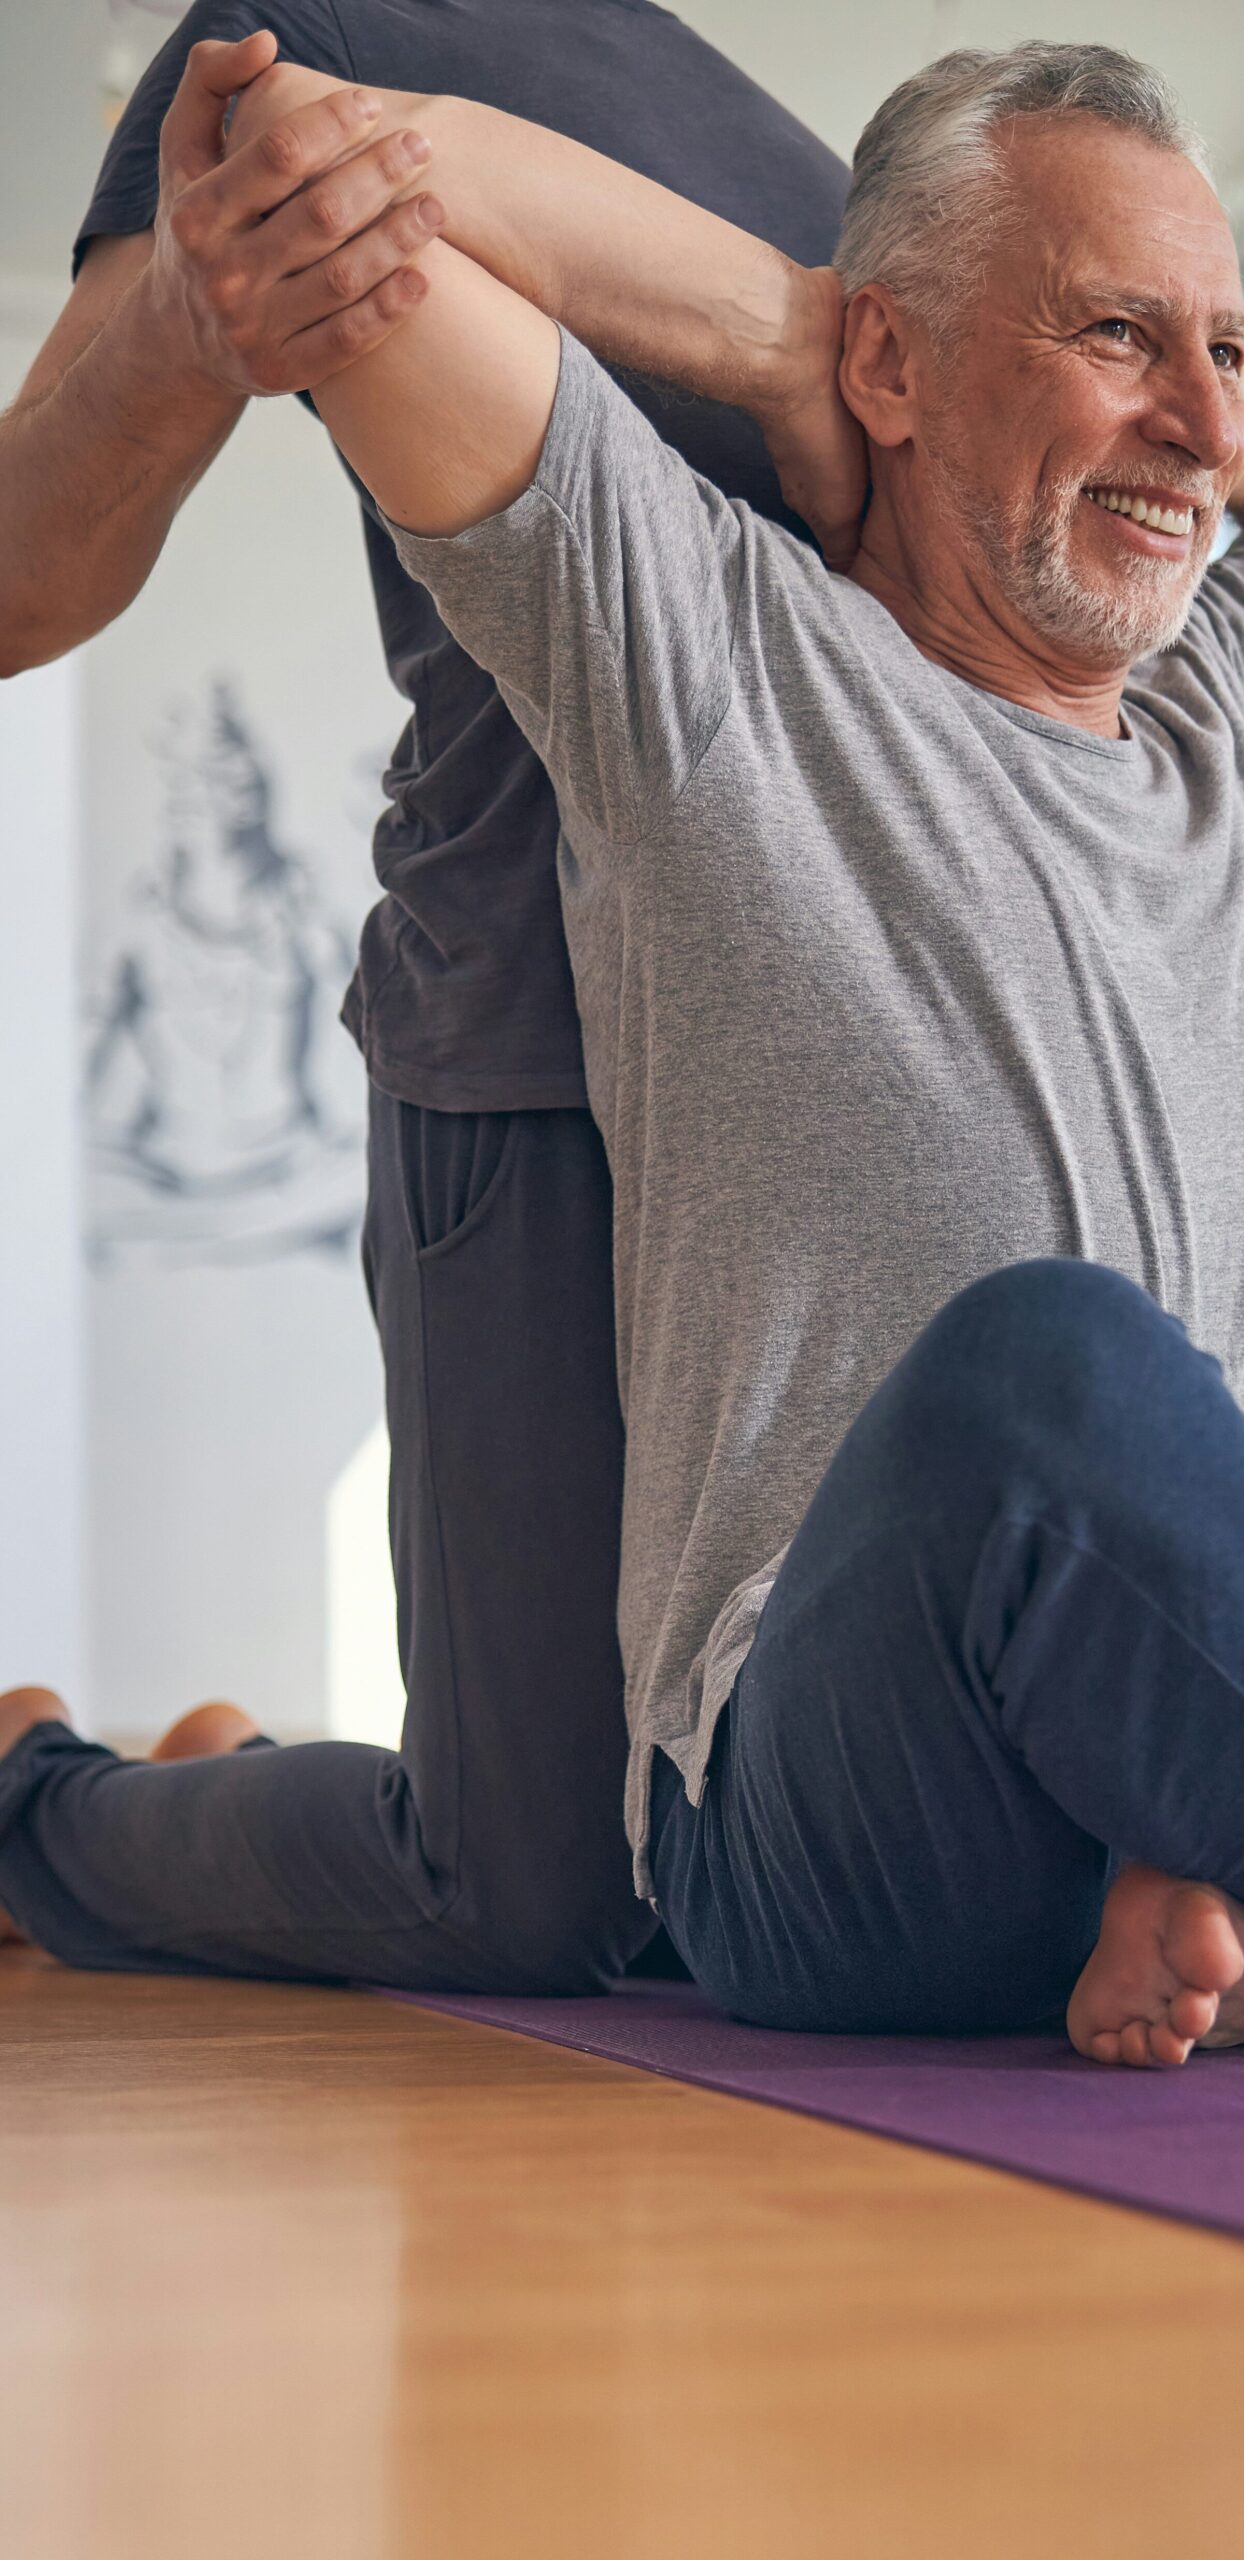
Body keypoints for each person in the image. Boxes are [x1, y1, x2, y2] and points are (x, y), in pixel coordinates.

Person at [21, 40, 1244, 2063]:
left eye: (1228, 353)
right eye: (1110, 335)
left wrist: (1161, 374)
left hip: (1198, 1669)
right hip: (843, 1788)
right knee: (1052, 1362)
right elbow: (350, 177)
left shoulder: (1229, 702)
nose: (1200, 428)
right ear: (888, 370)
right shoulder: (697, 649)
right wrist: (791, 338)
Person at [0, 3, 849, 1987]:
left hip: (827, 1058)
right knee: (534, 1896)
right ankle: (45, 1795)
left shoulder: (825, 161)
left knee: (726, 1843)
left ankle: (240, 1786)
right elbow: (21, 572)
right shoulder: (308, 43)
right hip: (529, 1043)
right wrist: (197, 326)